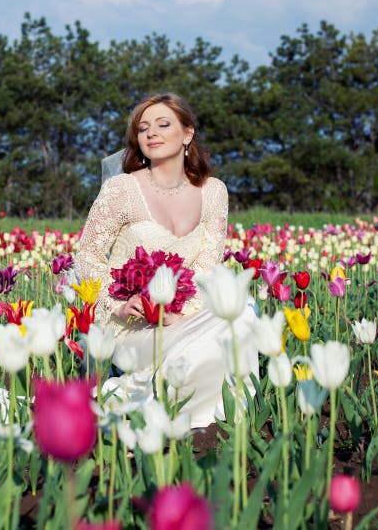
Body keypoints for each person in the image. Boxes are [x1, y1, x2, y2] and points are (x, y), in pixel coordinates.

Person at [75, 92, 258, 428]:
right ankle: (138, 405)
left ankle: (221, 417)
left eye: (163, 124)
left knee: (242, 314)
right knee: (205, 348)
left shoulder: (213, 191)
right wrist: (115, 303)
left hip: (185, 316)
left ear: (187, 133)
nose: (151, 133)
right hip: (129, 326)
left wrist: (178, 312)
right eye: (143, 128)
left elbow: (207, 264)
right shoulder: (122, 189)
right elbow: (87, 254)